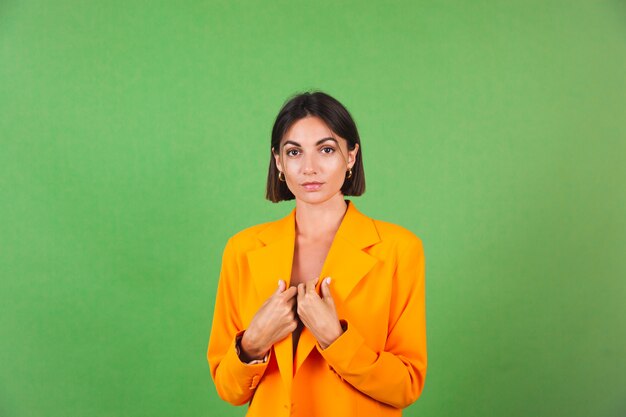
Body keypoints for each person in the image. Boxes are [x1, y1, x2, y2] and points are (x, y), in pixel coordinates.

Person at [207, 91, 427, 417]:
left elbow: (405, 386)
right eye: (294, 152)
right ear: (279, 161)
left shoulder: (398, 249)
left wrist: (335, 339)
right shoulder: (243, 249)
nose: (309, 168)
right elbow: (229, 389)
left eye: (326, 149)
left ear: (351, 156)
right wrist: (253, 342)